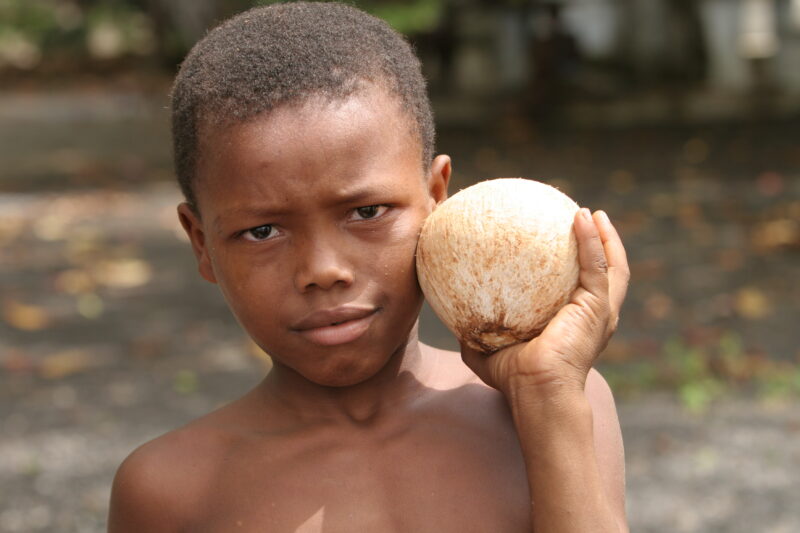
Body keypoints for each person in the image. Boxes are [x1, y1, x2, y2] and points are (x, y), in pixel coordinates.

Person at [107, 3, 630, 532]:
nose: (323, 270)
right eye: (262, 231)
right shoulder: (172, 489)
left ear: (435, 198)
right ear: (201, 244)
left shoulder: (554, 405)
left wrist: (546, 398)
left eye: (366, 212)